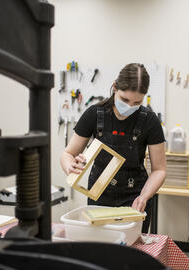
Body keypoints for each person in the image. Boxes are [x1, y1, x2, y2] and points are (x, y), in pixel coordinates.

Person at [60, 63, 166, 232]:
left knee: (132, 252)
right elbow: (68, 153)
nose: (129, 107)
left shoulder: (150, 121)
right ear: (115, 87)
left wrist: (144, 196)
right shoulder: (94, 114)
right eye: (125, 100)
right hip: (99, 194)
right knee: (101, 248)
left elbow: (159, 170)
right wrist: (70, 166)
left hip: (135, 195)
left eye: (137, 102)